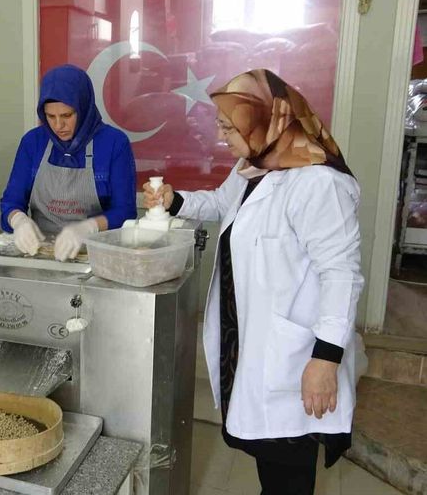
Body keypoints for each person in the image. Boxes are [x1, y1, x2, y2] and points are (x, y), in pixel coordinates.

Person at [144, 69, 362, 495]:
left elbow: (342, 274)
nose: (220, 136)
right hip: (249, 338)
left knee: (290, 470)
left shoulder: (319, 183)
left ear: (262, 121)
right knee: (271, 465)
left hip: (296, 355)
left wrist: (326, 359)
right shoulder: (254, 165)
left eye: (228, 128)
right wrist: (175, 201)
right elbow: (222, 204)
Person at [0, 64, 137, 261]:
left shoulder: (114, 143)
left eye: (67, 115)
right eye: (50, 116)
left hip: (96, 256)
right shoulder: (33, 142)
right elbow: (11, 201)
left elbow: (125, 211)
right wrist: (18, 220)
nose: (58, 125)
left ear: (83, 108)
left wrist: (88, 228)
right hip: (40, 253)